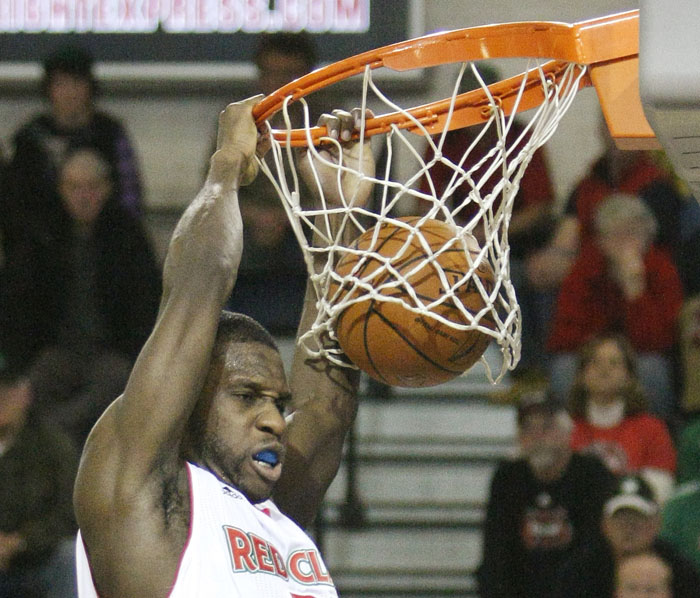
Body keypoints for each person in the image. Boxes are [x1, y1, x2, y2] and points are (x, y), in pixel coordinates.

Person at [73, 99, 376, 597]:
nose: (275, 421)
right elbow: (197, 290)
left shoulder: (275, 517)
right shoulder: (143, 497)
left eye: (278, 404)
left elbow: (325, 406)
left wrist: (338, 217)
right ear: (185, 399)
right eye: (246, 396)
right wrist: (226, 171)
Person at [0, 145, 161, 448]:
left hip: (111, 354)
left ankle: (58, 438)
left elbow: (145, 304)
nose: (83, 196)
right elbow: (18, 305)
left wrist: (133, 354)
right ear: (61, 189)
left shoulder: (127, 236)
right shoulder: (39, 235)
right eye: (74, 187)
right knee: (31, 386)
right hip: (54, 352)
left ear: (107, 189)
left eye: (92, 187)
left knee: (115, 383)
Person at [418, 65, 556, 380]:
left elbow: (541, 209)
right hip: (457, 247)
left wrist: (486, 233)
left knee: (516, 277)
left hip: (514, 247)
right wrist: (460, 236)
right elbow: (425, 206)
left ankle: (524, 368)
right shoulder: (443, 142)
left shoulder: (522, 138)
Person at [2, 44, 144, 266]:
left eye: (77, 83)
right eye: (60, 84)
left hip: (106, 251)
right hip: (41, 254)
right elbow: (15, 204)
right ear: (48, 89)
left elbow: (130, 199)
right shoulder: (29, 139)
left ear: (90, 88)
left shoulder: (109, 133)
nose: (70, 93)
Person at [546, 192, 683, 416]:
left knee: (653, 370)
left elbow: (660, 341)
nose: (624, 243)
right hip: (591, 353)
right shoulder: (585, 269)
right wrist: (603, 354)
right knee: (563, 370)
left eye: (632, 235)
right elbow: (564, 334)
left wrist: (635, 292)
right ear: (601, 241)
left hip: (639, 356)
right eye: (615, 235)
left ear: (647, 238)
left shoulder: (662, 270)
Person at [477, 390, 616, 598]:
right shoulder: (508, 477)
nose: (537, 437)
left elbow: (597, 550)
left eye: (546, 427)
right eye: (528, 429)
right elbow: (496, 552)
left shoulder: (592, 474)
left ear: (567, 433)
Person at [224, 32, 319, 334]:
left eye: (288, 75)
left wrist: (287, 217)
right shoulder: (239, 119)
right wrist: (253, 215)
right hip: (248, 227)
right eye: (271, 74)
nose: (278, 84)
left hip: (303, 229)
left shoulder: (325, 120)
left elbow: (338, 195)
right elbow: (217, 186)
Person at [0, 362, 79, 598]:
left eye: (8, 391)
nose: (2, 398)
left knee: (69, 557)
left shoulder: (52, 447)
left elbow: (69, 511)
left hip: (36, 559)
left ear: (25, 395)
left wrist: (19, 541)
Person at [567, 334, 676, 503]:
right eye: (595, 362)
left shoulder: (652, 428)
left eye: (614, 363)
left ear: (629, 377)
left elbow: (661, 489)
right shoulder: (564, 429)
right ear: (581, 375)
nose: (604, 370)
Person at [555, 475, 700, 598]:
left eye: (637, 519)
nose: (629, 528)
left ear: (656, 523)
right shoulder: (581, 573)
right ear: (605, 524)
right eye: (621, 519)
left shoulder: (679, 570)